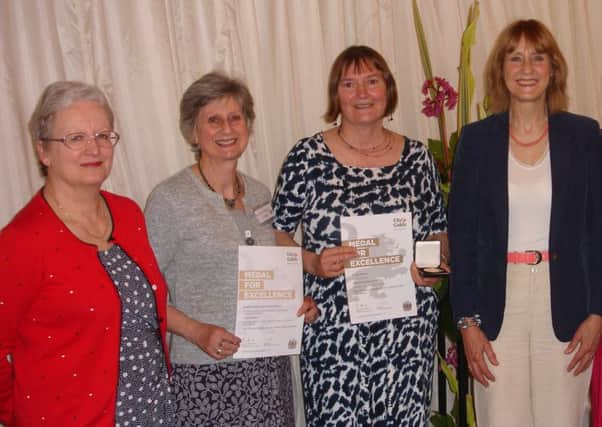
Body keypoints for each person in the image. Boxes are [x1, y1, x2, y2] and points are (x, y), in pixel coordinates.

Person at [272, 45, 448, 426]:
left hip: (406, 332)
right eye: (349, 84)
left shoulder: (418, 158)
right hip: (334, 332)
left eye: (372, 81)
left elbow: (437, 228)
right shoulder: (306, 157)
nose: (362, 93)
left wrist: (431, 269)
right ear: (337, 94)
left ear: (388, 89)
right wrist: (312, 263)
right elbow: (279, 233)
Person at [449, 19, 602, 427]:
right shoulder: (476, 140)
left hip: (566, 305)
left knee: (562, 420)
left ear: (554, 68)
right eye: (514, 58)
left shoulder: (584, 136)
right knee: (502, 419)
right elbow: (462, 240)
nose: (527, 68)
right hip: (497, 307)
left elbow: (598, 229)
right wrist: (466, 323)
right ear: (501, 70)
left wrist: (598, 312)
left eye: (538, 57)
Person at [144, 71, 319, 426]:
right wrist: (196, 331)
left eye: (235, 117)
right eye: (213, 120)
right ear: (194, 131)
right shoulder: (170, 199)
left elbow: (270, 267)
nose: (226, 128)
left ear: (248, 126)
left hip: (270, 370)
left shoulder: (258, 193)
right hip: (206, 374)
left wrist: (296, 302)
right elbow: (145, 290)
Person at [0, 81, 174, 426]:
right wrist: (20, 415)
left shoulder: (128, 214)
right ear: (43, 151)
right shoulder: (21, 241)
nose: (93, 149)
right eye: (75, 138)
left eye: (103, 136)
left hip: (152, 409)